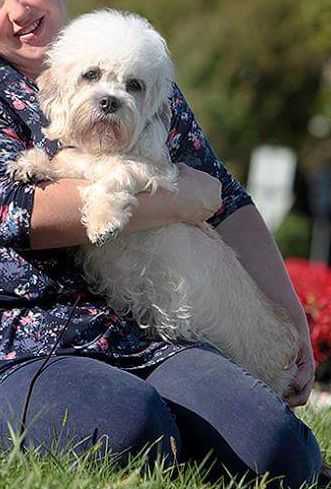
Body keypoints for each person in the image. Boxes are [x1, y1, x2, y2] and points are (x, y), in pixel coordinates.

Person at [0, 0, 325, 487]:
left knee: (276, 450)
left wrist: (293, 324)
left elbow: (227, 200)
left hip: (151, 339)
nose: (20, 8)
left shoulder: (145, 68)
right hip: (29, 346)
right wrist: (178, 197)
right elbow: (17, 212)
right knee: (129, 426)